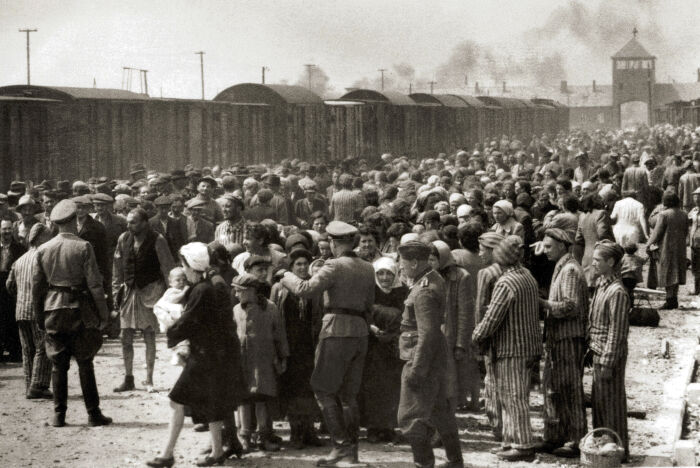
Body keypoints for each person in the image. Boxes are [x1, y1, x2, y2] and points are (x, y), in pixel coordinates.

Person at [279, 220, 375, 466]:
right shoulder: (367, 267)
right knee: (349, 396)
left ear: (333, 242)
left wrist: (285, 275)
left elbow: (304, 288)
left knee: (322, 389)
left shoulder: (333, 265)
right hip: (360, 332)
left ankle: (341, 447)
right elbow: (368, 306)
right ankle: (350, 453)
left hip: (336, 331)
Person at [146, 242, 243, 468]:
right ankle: (217, 451)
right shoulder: (208, 286)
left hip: (203, 356)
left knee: (176, 401)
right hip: (213, 355)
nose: (184, 270)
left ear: (192, 265)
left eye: (185, 265)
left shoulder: (201, 290)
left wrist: (171, 332)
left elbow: (187, 322)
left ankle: (167, 454)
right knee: (212, 403)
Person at [31, 199, 112, 427]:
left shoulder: (43, 250)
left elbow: (37, 288)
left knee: (58, 365)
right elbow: (96, 286)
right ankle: (93, 413)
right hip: (80, 309)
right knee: (85, 362)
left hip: (53, 309)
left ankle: (59, 415)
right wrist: (103, 315)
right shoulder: (84, 247)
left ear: (56, 224)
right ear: (73, 221)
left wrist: (39, 316)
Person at [472, 235, 541, 462]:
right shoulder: (527, 276)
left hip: (511, 348)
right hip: (529, 345)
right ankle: (511, 441)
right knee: (515, 396)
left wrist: (477, 335)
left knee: (513, 398)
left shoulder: (506, 282)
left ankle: (522, 444)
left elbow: (492, 317)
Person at [396, 240, 464, 468]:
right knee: (439, 411)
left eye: (403, 263)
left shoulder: (423, 290)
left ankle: (423, 464)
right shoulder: (432, 279)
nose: (400, 267)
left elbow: (427, 334)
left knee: (410, 418)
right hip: (432, 359)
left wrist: (417, 370)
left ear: (414, 263)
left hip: (420, 358)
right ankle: (455, 461)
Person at [538, 228, 588, 457]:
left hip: (569, 338)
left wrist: (543, 304)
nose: (544, 250)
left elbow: (570, 305)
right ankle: (556, 434)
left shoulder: (569, 270)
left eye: (548, 246)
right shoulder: (562, 266)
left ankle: (576, 439)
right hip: (559, 338)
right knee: (554, 388)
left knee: (570, 390)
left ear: (562, 245)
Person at [113, 208, 175, 393]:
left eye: (133, 222)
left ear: (145, 223)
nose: (129, 225)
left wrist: (169, 297)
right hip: (129, 292)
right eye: (128, 222)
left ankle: (149, 380)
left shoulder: (158, 240)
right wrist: (116, 290)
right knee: (125, 336)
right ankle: (128, 378)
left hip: (150, 293)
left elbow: (168, 269)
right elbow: (117, 268)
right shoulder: (123, 239)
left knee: (149, 335)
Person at [271, 248, 324, 449]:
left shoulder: (313, 287)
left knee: (309, 388)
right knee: (291, 389)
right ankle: (295, 433)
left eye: (304, 264)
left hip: (308, 344)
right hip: (289, 344)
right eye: (298, 264)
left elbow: (318, 315)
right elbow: (274, 317)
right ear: (291, 268)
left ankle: (309, 431)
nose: (302, 268)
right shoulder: (279, 288)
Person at [589, 240, 631, 461]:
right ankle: (605, 447)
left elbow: (616, 332)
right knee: (600, 404)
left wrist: (606, 361)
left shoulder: (617, 292)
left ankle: (618, 451)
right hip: (598, 351)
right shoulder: (602, 284)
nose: (593, 263)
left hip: (609, 356)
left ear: (611, 262)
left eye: (598, 260)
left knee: (612, 404)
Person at [358, 256, 406, 444]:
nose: (385, 277)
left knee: (392, 388)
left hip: (393, 346)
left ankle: (388, 427)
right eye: (380, 273)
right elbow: (362, 313)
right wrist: (371, 327)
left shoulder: (402, 291)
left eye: (388, 273)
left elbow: (406, 316)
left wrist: (393, 332)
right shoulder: (369, 291)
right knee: (372, 387)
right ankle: (372, 428)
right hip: (373, 346)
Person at [429, 241, 479, 413]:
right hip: (434, 332)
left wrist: (461, 343)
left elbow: (465, 314)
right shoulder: (427, 276)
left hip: (451, 333)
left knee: (453, 375)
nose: (430, 264)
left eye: (433, 260)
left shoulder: (461, 277)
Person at [6, 223, 53, 398]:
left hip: (20, 310)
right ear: (40, 237)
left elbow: (9, 285)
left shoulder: (19, 260)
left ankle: (29, 385)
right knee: (43, 346)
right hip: (38, 310)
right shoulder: (43, 257)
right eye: (48, 236)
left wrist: (20, 297)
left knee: (27, 349)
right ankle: (39, 385)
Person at [475, 231, 504, 440]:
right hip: (507, 333)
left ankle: (497, 426)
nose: (479, 254)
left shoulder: (487, 273)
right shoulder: (512, 270)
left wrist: (478, 336)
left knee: (491, 380)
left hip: (489, 332)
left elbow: (479, 308)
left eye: (483, 249)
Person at [647, 191, 688, 309]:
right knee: (677, 272)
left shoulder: (663, 214)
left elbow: (657, 232)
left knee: (668, 271)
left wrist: (648, 244)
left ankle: (670, 300)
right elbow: (685, 231)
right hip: (680, 247)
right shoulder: (684, 214)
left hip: (667, 246)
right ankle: (674, 298)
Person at [153, 267, 190, 367]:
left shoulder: (182, 290)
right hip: (171, 317)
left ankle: (180, 354)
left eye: (184, 280)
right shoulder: (171, 291)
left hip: (178, 318)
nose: (181, 282)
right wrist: (183, 293)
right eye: (178, 280)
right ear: (170, 282)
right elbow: (173, 300)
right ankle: (177, 354)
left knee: (182, 339)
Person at [0, 217, 26, 361]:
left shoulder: (20, 249)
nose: (7, 232)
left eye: (9, 229)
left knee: (12, 319)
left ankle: (15, 352)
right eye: (4, 229)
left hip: (12, 290)